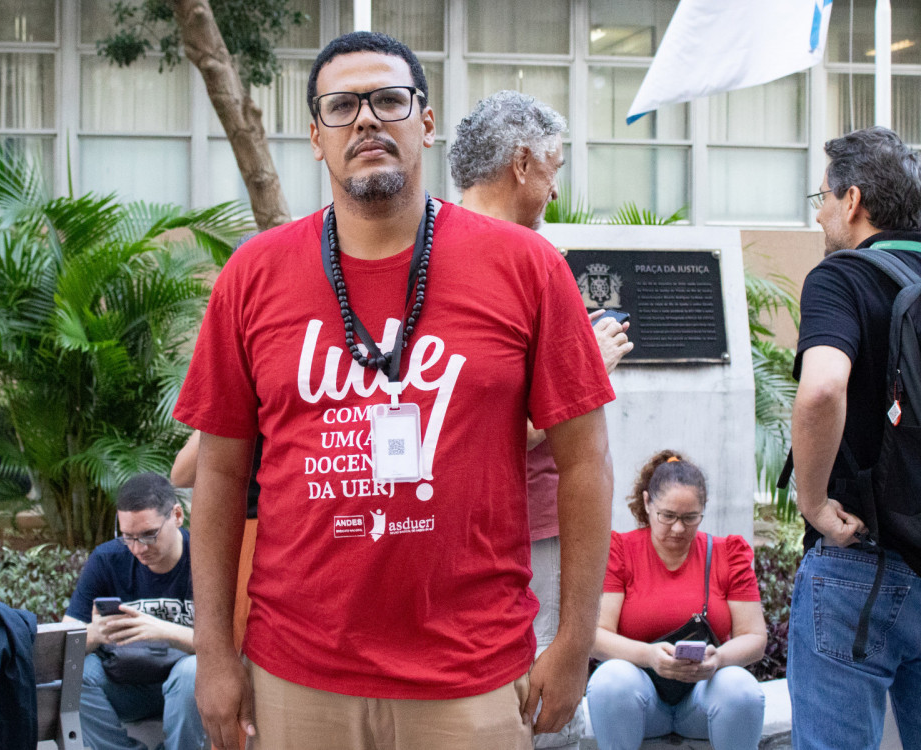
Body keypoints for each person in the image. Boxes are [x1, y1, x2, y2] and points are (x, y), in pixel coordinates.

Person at [175, 31, 616, 750]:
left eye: (389, 99)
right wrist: (217, 655)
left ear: (427, 122)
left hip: (470, 672)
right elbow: (220, 475)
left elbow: (586, 460)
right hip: (298, 675)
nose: (367, 120)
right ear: (316, 136)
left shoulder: (526, 267)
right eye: (342, 106)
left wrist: (574, 640)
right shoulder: (253, 276)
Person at [449, 89, 633, 749]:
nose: (555, 190)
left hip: (454, 531)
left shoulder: (421, 255)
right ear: (523, 163)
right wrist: (592, 372)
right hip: (527, 524)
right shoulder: (529, 259)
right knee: (545, 688)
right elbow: (481, 429)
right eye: (555, 167)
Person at [787, 126, 921, 749]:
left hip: (858, 564)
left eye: (820, 197)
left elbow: (820, 389)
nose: (817, 213)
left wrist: (813, 503)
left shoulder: (842, 276)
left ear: (853, 200)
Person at [587, 450, 767, 750]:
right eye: (667, 516)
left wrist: (718, 658)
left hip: (703, 698)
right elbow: (595, 636)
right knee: (611, 681)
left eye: (690, 517)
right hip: (642, 700)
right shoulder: (621, 550)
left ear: (703, 510)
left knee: (740, 688)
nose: (679, 528)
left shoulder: (728, 553)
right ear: (647, 503)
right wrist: (649, 656)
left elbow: (755, 638)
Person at [63, 473, 206, 750]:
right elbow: (65, 645)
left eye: (149, 535)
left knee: (192, 671)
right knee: (75, 673)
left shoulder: (203, 557)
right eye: (128, 537)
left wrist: (163, 631)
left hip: (186, 686)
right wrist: (95, 633)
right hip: (125, 682)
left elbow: (230, 648)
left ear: (177, 515)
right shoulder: (108, 559)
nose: (138, 548)